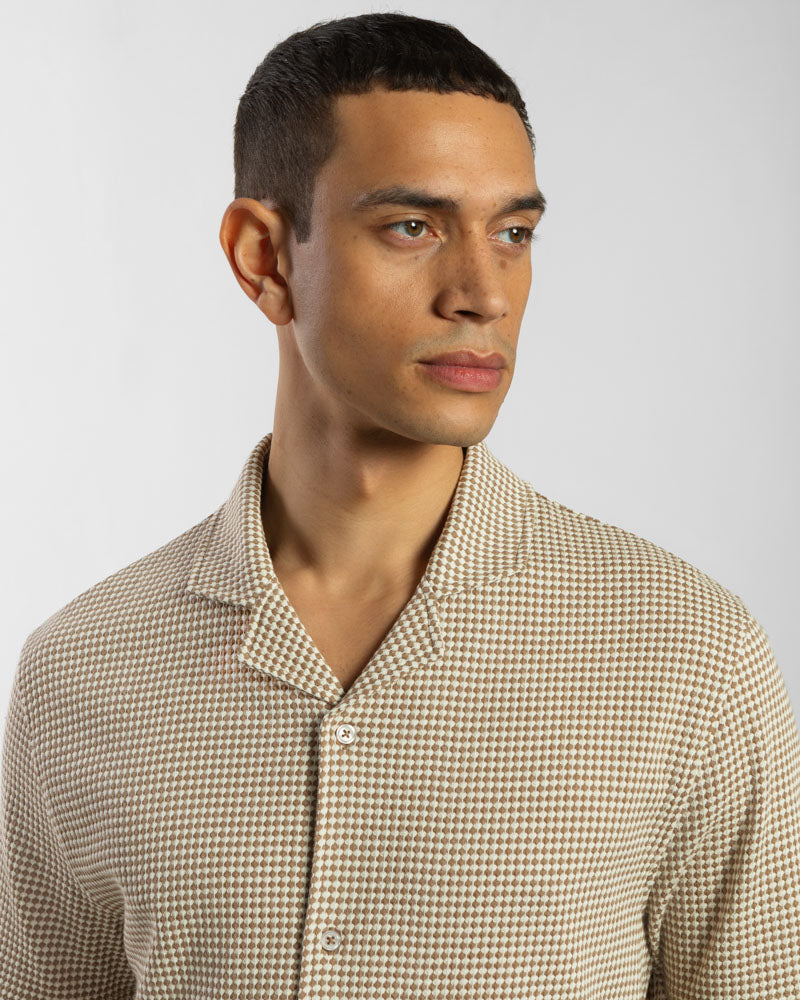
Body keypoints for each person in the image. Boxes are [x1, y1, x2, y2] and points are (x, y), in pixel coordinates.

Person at [1, 11, 798, 999]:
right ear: (263, 257)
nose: (482, 293)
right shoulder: (80, 672)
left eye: (512, 233)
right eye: (412, 227)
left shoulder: (689, 656)